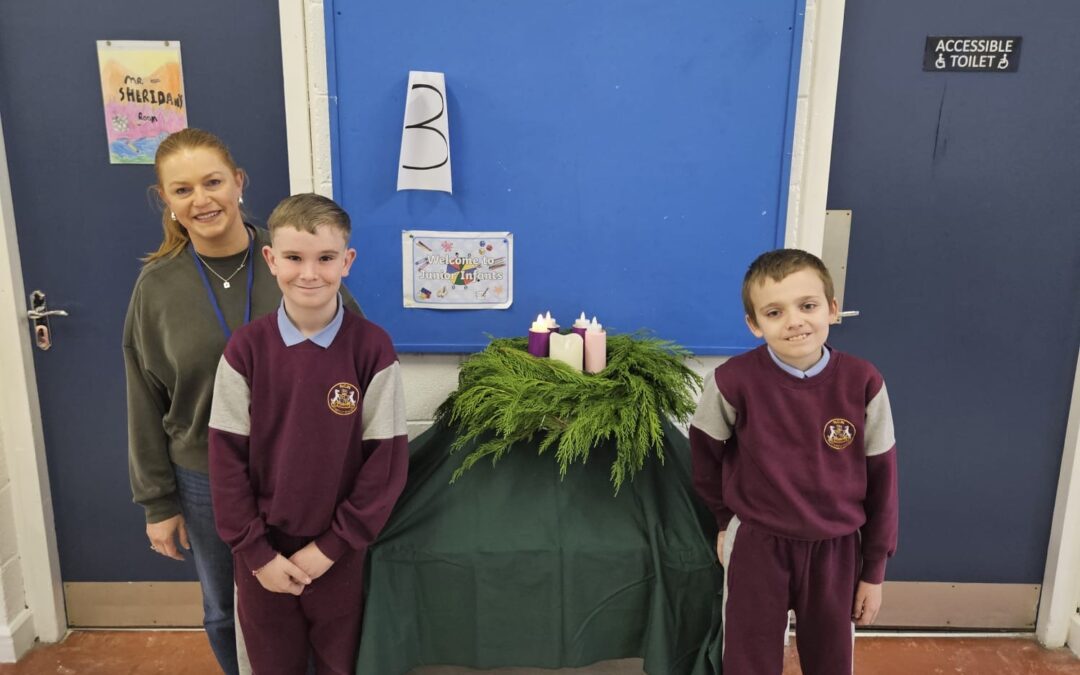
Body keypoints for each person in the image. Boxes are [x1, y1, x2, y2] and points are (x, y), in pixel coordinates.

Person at [123, 129, 361, 674]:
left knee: (309, 602)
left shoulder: (296, 259)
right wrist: (157, 503)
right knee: (224, 610)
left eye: (212, 182)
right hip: (205, 477)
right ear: (166, 200)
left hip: (304, 472)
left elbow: (356, 358)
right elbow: (144, 395)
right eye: (182, 189)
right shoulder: (157, 288)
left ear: (238, 182)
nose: (201, 200)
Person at [207, 193, 408, 674]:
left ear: (347, 261)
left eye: (326, 258)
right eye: (294, 258)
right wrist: (257, 554)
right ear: (271, 259)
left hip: (340, 554)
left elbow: (385, 464)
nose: (310, 273)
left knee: (343, 664)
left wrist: (333, 546)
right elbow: (225, 462)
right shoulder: (245, 350)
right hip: (263, 556)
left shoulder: (372, 349)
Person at [689, 249, 898, 675]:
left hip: (837, 549)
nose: (794, 321)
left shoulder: (864, 381)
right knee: (748, 661)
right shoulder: (731, 381)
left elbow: (884, 480)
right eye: (774, 312)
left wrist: (874, 571)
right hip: (757, 545)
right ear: (754, 324)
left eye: (807, 306)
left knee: (830, 661)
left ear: (832, 309)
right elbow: (705, 457)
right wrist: (725, 520)